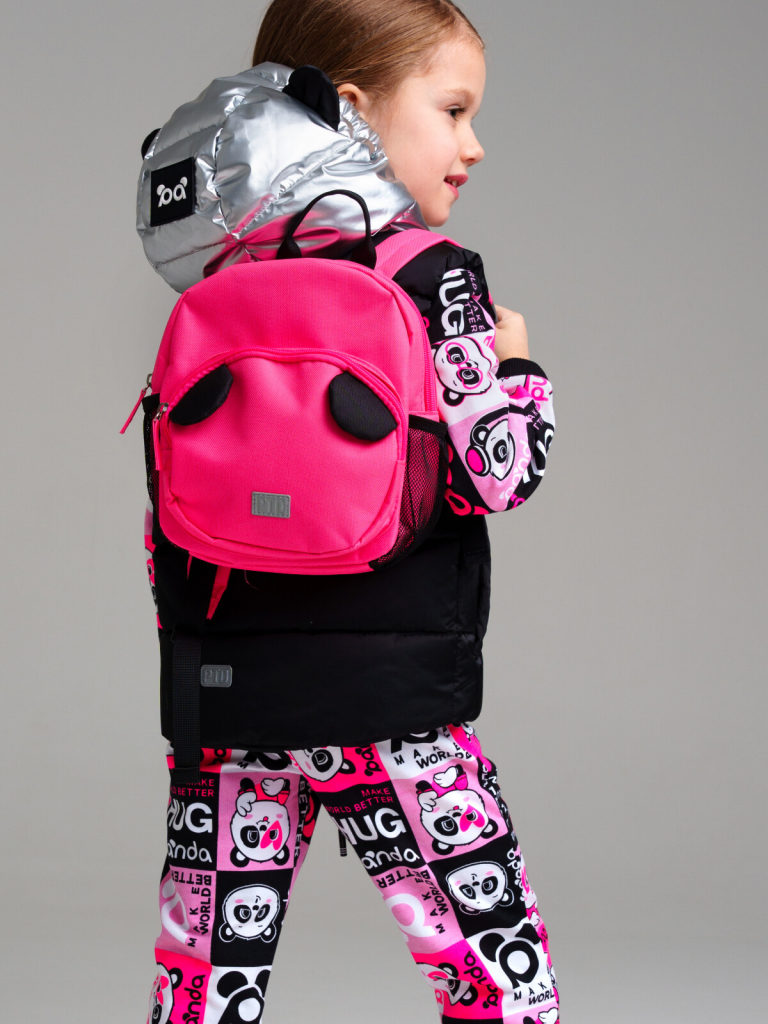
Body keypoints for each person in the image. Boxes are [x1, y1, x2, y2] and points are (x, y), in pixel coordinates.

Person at [139, 2, 558, 1021]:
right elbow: (496, 473)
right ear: (356, 113)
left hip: (227, 700)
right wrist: (518, 367)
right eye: (453, 111)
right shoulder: (431, 277)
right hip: (392, 706)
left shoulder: (224, 279)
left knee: (204, 981)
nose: (473, 144)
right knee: (495, 973)